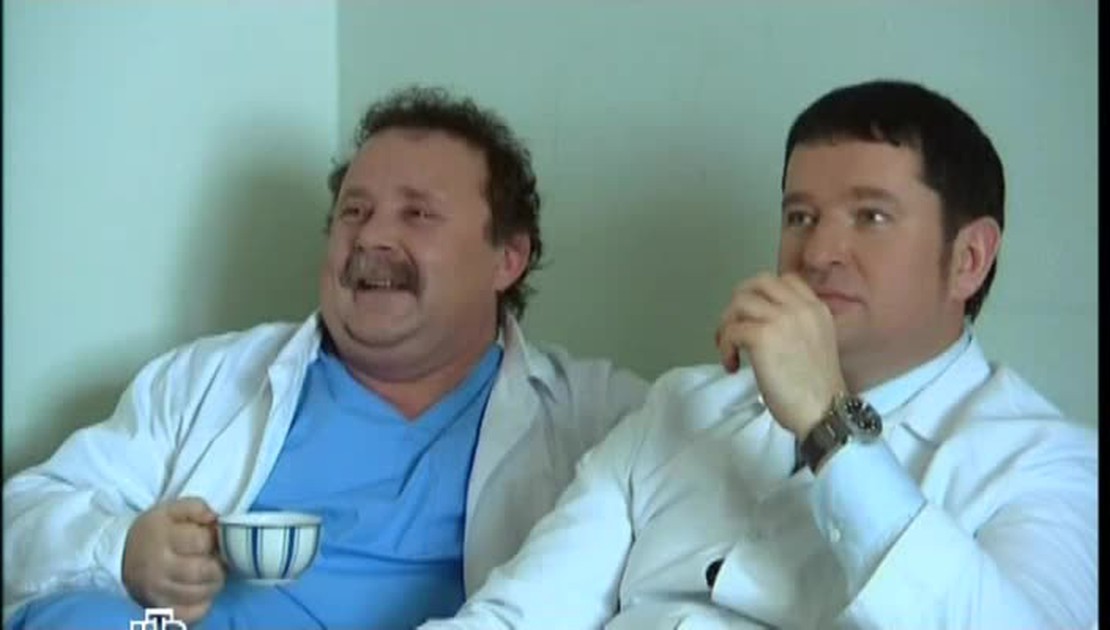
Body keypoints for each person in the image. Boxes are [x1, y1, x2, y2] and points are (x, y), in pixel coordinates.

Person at [418, 79, 1098, 629]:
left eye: (872, 217)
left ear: (969, 258)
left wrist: (829, 426)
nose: (819, 252)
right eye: (800, 216)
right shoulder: (682, 403)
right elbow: (522, 615)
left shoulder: (1046, 463)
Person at [2, 86, 648, 629]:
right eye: (354, 212)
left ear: (507, 258)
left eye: (417, 213)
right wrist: (124, 551)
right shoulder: (209, 380)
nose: (371, 237)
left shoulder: (603, 419)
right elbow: (23, 513)